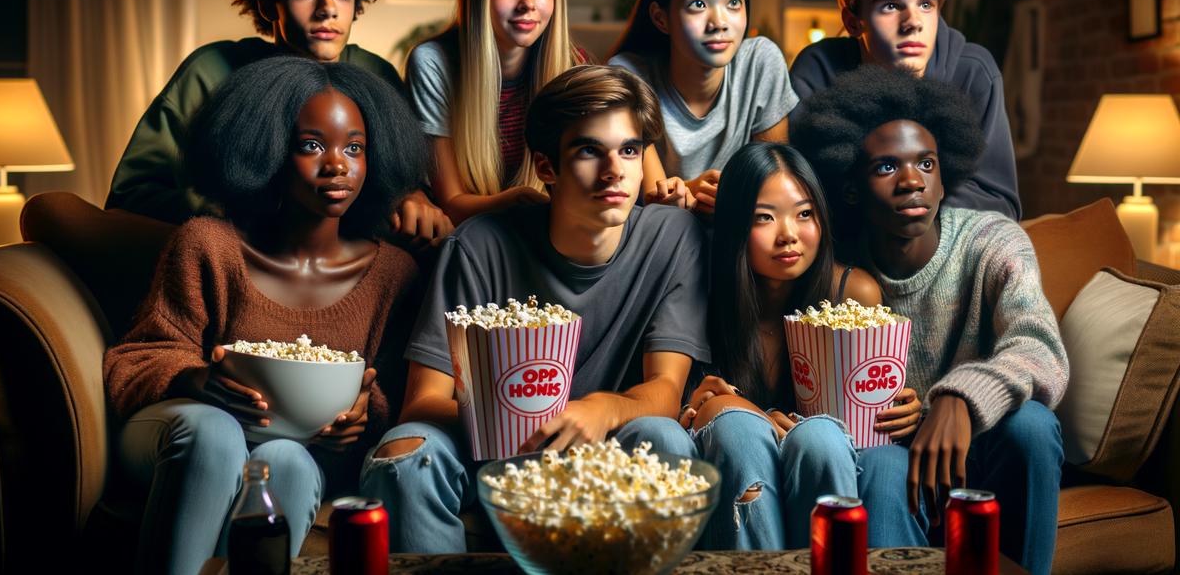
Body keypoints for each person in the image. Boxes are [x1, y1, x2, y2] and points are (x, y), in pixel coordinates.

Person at [360, 65, 710, 553]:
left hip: (606, 444)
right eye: (590, 150)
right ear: (547, 167)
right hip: (489, 451)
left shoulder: (673, 237)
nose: (615, 171)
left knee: (664, 438)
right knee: (403, 454)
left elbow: (667, 390)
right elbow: (423, 401)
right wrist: (523, 421)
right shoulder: (479, 246)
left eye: (629, 150)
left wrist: (599, 409)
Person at [102, 56, 427, 575]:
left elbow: (389, 398)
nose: (337, 165)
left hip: (299, 449)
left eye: (355, 148)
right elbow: (134, 360)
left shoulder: (393, 274)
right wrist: (197, 378)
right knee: (215, 432)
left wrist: (363, 416)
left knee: (292, 463)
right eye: (312, 145)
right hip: (181, 433)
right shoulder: (209, 245)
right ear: (267, 149)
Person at [790, 66, 1068, 575]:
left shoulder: (991, 242)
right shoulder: (832, 265)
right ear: (851, 189)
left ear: (945, 178)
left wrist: (960, 397)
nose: (912, 181)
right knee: (878, 464)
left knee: (1032, 425)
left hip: (978, 454)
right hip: (887, 463)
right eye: (885, 168)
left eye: (926, 163)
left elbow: (1039, 347)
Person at [106, 0, 450, 244]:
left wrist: (413, 197)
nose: (328, 8)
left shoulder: (374, 74)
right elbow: (133, 193)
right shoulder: (211, 70)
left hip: (347, 264)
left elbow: (405, 181)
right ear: (269, 4)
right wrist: (227, 215)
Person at [678, 142, 921, 549]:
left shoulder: (853, 293)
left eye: (804, 213)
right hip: (743, 485)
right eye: (764, 218)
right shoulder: (702, 294)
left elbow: (866, 409)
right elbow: (696, 409)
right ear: (736, 224)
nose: (789, 235)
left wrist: (907, 409)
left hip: (827, 470)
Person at [789, 0, 1021, 220]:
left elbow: (999, 201)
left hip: (945, 248)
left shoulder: (973, 72)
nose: (913, 22)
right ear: (853, 21)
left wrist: (906, 214)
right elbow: (799, 190)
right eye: (890, 6)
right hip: (849, 251)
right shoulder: (819, 69)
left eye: (926, 4)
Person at [407, 0, 590, 225]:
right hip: (471, 234)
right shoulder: (433, 63)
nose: (528, 3)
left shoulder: (574, 67)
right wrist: (519, 201)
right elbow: (452, 204)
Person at [609, 0, 798, 214]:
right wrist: (692, 189)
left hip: (744, 237)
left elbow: (774, 183)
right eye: (698, 4)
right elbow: (655, 197)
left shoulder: (760, 62)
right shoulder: (629, 76)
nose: (719, 23)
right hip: (661, 235)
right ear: (661, 18)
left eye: (734, 3)